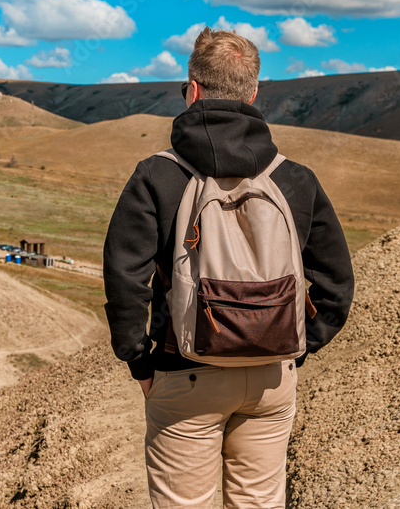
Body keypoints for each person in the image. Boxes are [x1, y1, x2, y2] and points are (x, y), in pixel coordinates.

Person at [103, 28, 355, 508]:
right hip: (271, 378)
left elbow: (124, 278)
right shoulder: (296, 180)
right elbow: (336, 283)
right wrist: (297, 347)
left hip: (183, 371)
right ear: (254, 93)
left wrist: (140, 360)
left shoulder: (156, 175)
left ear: (192, 91)